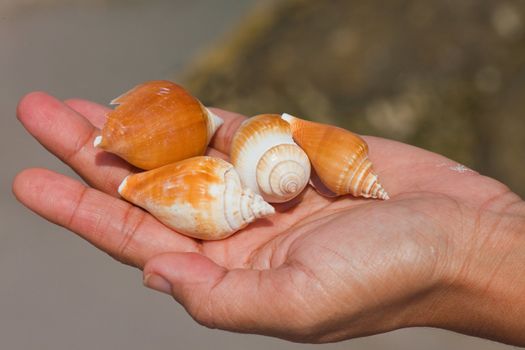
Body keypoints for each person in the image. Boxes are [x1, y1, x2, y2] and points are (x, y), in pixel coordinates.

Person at [13, 92, 525, 345]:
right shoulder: (268, 162)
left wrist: (468, 253)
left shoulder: (274, 165)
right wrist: (474, 246)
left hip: (251, 176)